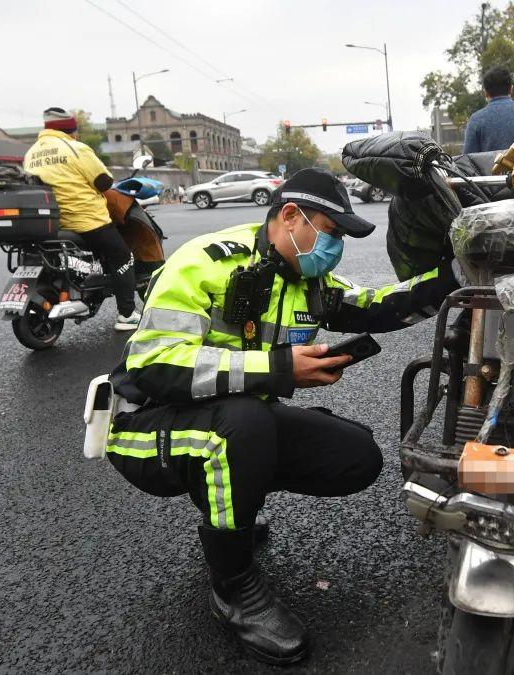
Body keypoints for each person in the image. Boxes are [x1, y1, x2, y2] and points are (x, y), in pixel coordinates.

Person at [105, 168, 460, 664]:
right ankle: (233, 590)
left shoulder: (305, 277)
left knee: (355, 455)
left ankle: (231, 501)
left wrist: (458, 276)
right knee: (244, 424)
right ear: (290, 216)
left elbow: (376, 306)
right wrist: (279, 369)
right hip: (143, 429)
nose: (333, 248)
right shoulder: (204, 262)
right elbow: (155, 366)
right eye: (331, 233)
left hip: (227, 423)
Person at [24, 107, 141, 328]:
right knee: (123, 255)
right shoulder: (75, 148)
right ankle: (127, 315)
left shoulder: (31, 153)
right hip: (86, 220)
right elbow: (104, 182)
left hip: (52, 223)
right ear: (71, 130)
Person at [463, 65, 514, 154]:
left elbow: (468, 159)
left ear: (485, 93)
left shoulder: (476, 119)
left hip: (488, 168)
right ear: (511, 89)